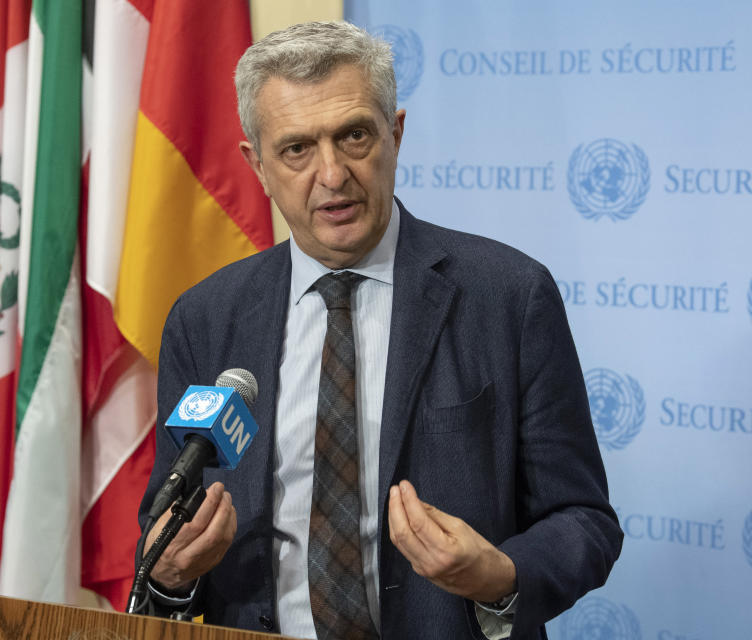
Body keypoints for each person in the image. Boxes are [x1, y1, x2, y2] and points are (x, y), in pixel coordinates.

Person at [137, 21, 622, 640]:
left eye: (355, 136)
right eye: (297, 150)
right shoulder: (206, 318)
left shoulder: (509, 296)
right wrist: (169, 577)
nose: (333, 174)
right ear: (255, 163)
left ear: (395, 133)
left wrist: (499, 574)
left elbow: (583, 519)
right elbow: (167, 528)